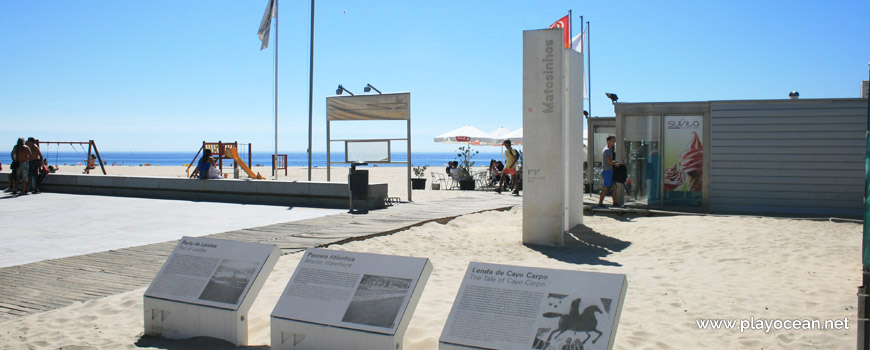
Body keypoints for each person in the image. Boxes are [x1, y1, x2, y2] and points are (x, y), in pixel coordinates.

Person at [598, 135, 622, 208]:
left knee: (614, 186)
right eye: (613, 141)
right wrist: (615, 163)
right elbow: (609, 162)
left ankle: (614, 203)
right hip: (607, 171)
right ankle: (600, 203)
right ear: (608, 141)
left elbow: (610, 161)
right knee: (606, 187)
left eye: (614, 141)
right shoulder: (606, 150)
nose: (614, 143)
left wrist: (614, 162)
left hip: (610, 171)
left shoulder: (610, 150)